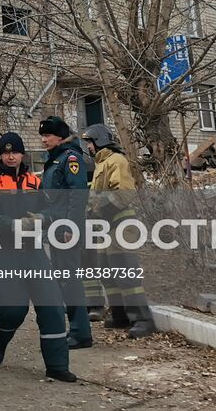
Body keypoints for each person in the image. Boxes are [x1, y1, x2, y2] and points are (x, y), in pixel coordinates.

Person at [0, 131, 77, 383]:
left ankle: (56, 365)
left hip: (34, 252)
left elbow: (49, 207)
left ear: (22, 154)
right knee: (14, 309)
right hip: (6, 253)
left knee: (52, 306)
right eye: (6, 152)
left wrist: (44, 219)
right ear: (1, 154)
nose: (11, 157)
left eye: (15, 152)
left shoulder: (34, 181)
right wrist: (13, 225)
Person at [81, 123, 155, 339]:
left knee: (124, 270)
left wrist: (99, 209)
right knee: (106, 269)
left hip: (121, 224)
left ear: (100, 141)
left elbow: (123, 193)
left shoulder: (116, 160)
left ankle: (143, 319)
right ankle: (121, 314)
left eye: (90, 143)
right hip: (107, 227)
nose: (88, 147)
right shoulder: (102, 164)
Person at [37, 115, 93, 350]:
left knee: (70, 281)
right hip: (56, 229)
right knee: (63, 280)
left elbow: (77, 196)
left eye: (47, 135)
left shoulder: (70, 159)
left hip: (66, 231)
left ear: (60, 136)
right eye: (42, 135)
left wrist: (72, 227)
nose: (43, 140)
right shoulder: (55, 159)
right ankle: (74, 328)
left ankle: (81, 333)